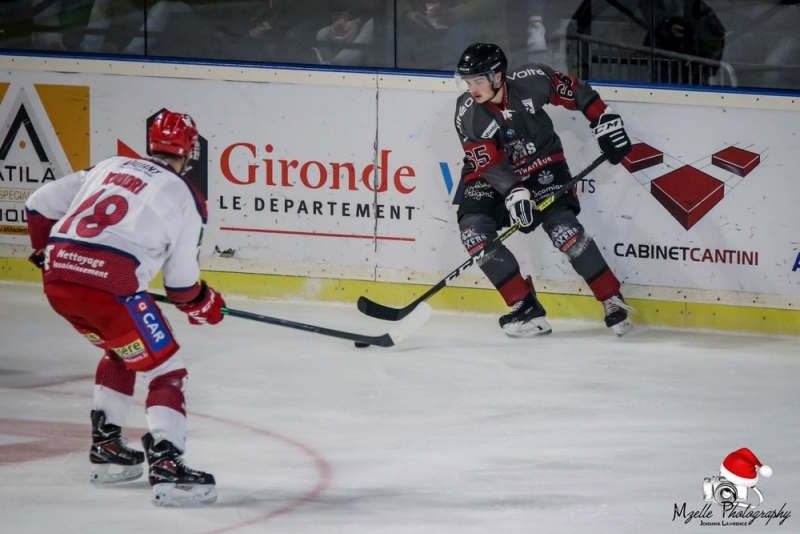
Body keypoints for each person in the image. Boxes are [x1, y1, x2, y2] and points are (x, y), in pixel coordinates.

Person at [24, 110, 226, 506]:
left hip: (60, 280)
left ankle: (108, 446)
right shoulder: (188, 197)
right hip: (113, 288)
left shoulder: (111, 165)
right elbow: (183, 287)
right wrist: (207, 305)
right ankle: (168, 462)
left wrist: (41, 250)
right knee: (168, 372)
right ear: (191, 151)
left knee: (121, 351)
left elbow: (38, 203)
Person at [452, 43, 634, 337]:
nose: (472, 87)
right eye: (467, 81)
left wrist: (602, 117)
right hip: (490, 175)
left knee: (565, 231)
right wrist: (514, 192)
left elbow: (575, 90)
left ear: (498, 76)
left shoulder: (532, 80)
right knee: (473, 231)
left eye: (478, 80)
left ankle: (612, 298)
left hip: (542, 163)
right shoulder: (468, 113)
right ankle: (525, 307)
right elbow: (490, 163)